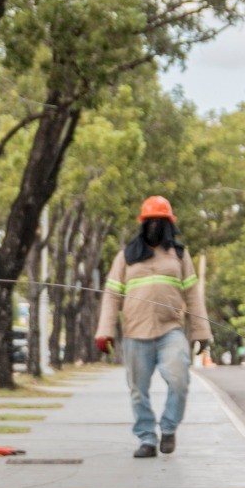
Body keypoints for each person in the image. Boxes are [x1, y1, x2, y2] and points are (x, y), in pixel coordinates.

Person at [95, 196, 212, 458]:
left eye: (160, 222)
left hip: (171, 331)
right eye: (151, 222)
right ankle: (147, 438)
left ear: (169, 225)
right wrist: (105, 331)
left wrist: (202, 332)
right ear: (143, 224)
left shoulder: (179, 255)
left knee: (180, 380)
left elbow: (193, 294)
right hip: (136, 334)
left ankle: (169, 428)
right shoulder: (126, 256)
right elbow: (112, 295)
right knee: (138, 390)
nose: (155, 227)